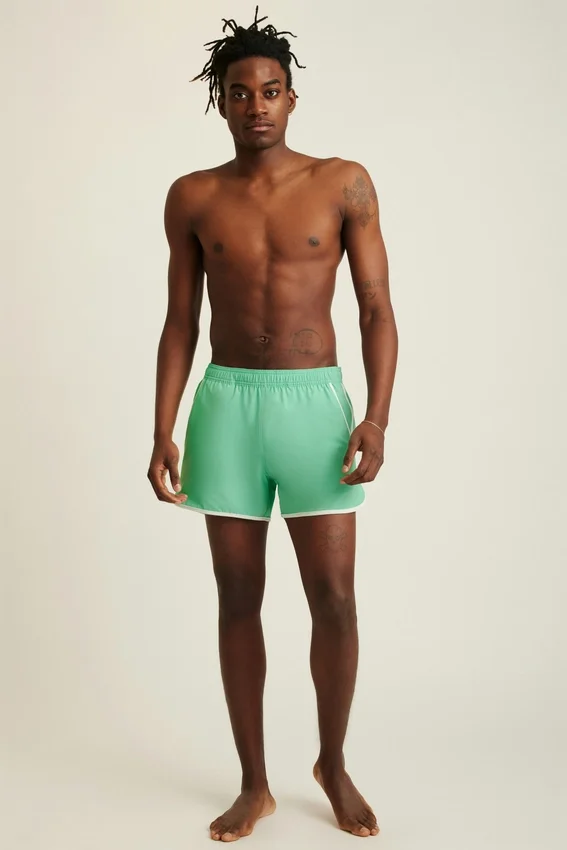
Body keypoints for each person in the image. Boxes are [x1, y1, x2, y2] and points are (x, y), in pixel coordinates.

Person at [147, 6, 398, 842]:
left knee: (335, 599)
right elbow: (179, 321)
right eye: (238, 92)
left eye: (269, 90)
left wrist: (376, 418)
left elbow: (375, 308)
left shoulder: (342, 182)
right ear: (219, 102)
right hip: (226, 406)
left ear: (291, 98)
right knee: (236, 597)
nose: (255, 104)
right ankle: (253, 784)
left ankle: (332, 763)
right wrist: (163, 429)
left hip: (313, 406)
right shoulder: (192, 195)